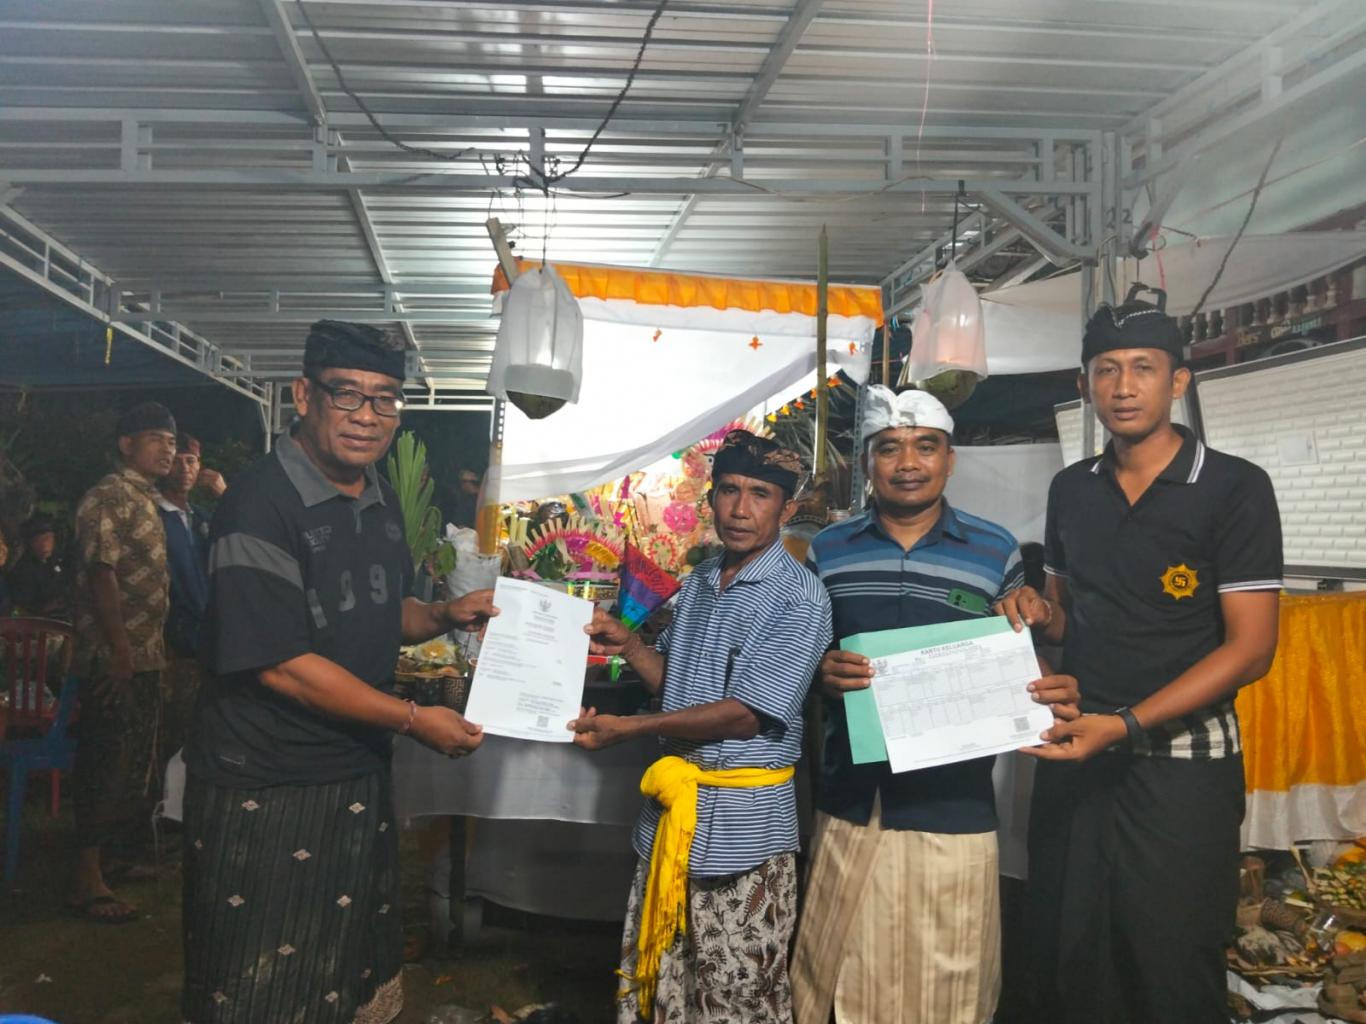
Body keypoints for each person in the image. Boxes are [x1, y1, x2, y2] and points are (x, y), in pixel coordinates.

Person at [182, 320, 497, 1024]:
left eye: (385, 399)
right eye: (346, 394)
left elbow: (382, 612)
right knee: (261, 986)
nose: (366, 416)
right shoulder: (258, 505)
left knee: (345, 974)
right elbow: (282, 666)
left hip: (354, 770)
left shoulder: (376, 498)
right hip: (266, 781)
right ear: (304, 396)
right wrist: (413, 719)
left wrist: (444, 614)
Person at [996, 287, 1282, 1024]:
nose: (1123, 387)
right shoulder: (1072, 488)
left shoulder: (1234, 487)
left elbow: (1252, 649)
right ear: (1085, 383)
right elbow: (1066, 619)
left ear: (1178, 380)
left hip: (1182, 766)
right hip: (1079, 751)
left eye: (1144, 368)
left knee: (1169, 961)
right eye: (1107, 369)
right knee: (1070, 953)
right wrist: (1037, 612)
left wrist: (1124, 723)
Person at [789, 386, 1080, 1024]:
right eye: (889, 448)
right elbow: (798, 655)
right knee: (839, 974)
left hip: (955, 804)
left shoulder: (994, 549)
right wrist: (820, 670)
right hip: (853, 798)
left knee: (948, 978)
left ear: (950, 461)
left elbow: (1021, 652)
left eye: (926, 447)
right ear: (868, 463)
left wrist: (1038, 634)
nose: (908, 463)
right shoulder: (829, 550)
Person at [571, 429, 833, 1024]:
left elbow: (747, 713)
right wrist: (629, 644)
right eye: (729, 490)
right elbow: (675, 681)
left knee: (736, 991)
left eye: (760, 494)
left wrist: (632, 729)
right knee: (665, 975)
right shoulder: (700, 583)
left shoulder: (799, 598)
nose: (740, 509)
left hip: (745, 833)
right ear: (711, 498)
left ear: (786, 508)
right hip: (672, 820)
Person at [67, 402, 177, 924]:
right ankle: (86, 881)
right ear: (126, 444)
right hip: (114, 659)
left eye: (172, 441)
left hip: (144, 656)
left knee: (135, 763)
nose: (168, 449)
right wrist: (119, 650)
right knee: (104, 763)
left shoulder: (146, 500)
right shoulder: (107, 496)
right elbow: (100, 572)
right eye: (156, 438)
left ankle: (114, 859)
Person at [155, 432, 224, 761]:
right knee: (173, 738)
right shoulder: (154, 516)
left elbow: (248, 537)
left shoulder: (203, 518)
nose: (184, 468)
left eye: (191, 461)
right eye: (177, 461)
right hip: (172, 646)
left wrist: (225, 494)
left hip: (208, 641)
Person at [6, 515, 70, 619]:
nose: (44, 545)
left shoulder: (56, 561)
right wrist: (47, 607)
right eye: (37, 540)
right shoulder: (23, 570)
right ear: (29, 544)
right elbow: (21, 608)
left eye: (47, 538)